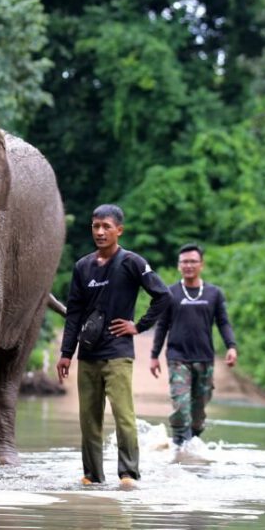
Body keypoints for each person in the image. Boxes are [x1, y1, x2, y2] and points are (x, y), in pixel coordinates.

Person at [56, 204, 171, 488]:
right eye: (95, 226)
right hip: (88, 355)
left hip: (118, 355)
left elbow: (163, 296)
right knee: (88, 421)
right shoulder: (83, 266)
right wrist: (66, 353)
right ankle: (92, 476)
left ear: (119, 230)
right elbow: (73, 313)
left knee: (124, 417)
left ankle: (128, 474)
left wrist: (139, 326)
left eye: (106, 226)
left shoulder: (132, 262)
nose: (100, 231)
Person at [150, 243, 238, 448]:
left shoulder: (214, 293)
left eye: (193, 261)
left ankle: (192, 445)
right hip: (177, 357)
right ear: (179, 266)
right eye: (184, 262)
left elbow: (223, 322)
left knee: (198, 414)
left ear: (201, 265)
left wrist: (231, 346)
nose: (188, 265)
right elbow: (161, 326)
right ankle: (180, 447)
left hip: (204, 359)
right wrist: (154, 355)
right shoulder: (170, 293)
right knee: (181, 407)